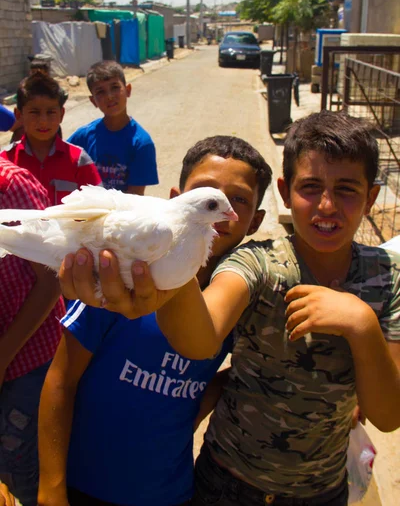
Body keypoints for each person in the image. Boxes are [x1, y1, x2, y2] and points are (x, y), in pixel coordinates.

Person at [60, 111, 400, 505]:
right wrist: (170, 277)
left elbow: (388, 416)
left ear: (371, 197)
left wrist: (361, 324)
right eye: (311, 187)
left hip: (321, 491)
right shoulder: (257, 264)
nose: (327, 205)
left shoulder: (387, 277)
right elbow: (200, 340)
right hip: (226, 485)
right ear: (286, 192)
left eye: (346, 189)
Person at [37, 136, 271, 506]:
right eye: (206, 194)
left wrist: (183, 421)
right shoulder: (124, 277)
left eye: (239, 200)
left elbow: (223, 377)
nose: (225, 210)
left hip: (169, 489)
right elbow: (61, 379)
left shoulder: (235, 296)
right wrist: (51, 485)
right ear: (176, 198)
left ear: (253, 220)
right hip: (85, 483)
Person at [0, 158, 64, 506]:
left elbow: (52, 278)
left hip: (30, 359)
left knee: (17, 472)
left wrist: (3, 357)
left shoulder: (12, 187)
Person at [0, 71, 102, 205]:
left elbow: (100, 207)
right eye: (34, 112)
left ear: (62, 114)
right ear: (19, 115)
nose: (43, 121)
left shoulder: (79, 161)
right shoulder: (6, 162)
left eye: (50, 112)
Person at [67, 61, 158, 195]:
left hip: (122, 214)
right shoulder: (83, 137)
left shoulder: (141, 143)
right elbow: (58, 159)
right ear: (93, 101)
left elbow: (135, 197)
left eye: (115, 87)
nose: (109, 96)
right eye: (101, 92)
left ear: (128, 90)